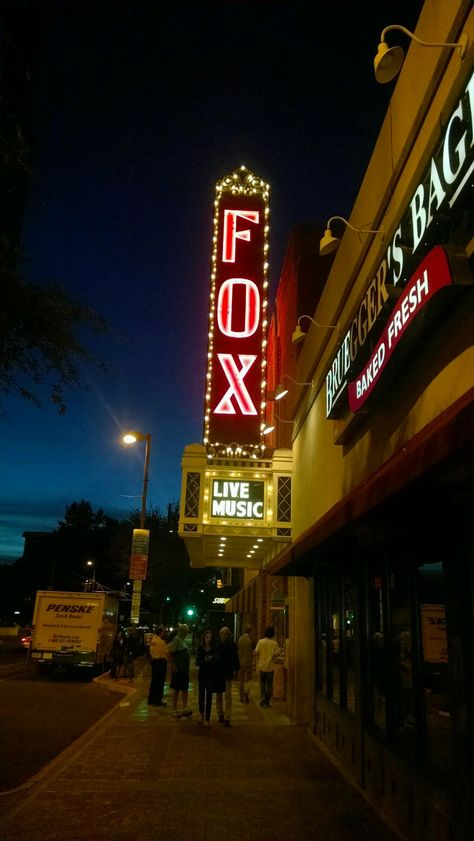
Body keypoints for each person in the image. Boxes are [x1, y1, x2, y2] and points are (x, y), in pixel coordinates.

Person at [215, 626, 240, 727]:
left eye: (225, 633)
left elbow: (235, 658)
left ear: (228, 635)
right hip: (218, 673)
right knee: (218, 695)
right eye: (222, 633)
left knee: (228, 696)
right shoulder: (217, 644)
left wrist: (235, 670)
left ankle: (227, 717)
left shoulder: (231, 645)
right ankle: (220, 713)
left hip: (227, 673)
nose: (223, 635)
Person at [167, 623, 192, 718]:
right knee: (177, 689)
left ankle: (184, 707)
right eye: (186, 632)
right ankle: (175, 708)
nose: (186, 634)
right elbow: (169, 652)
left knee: (184, 688)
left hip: (183, 669)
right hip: (179, 669)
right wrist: (173, 665)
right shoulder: (177, 639)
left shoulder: (180, 639)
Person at [195, 629, 219, 727]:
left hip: (210, 675)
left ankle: (207, 719)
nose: (208, 639)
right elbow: (197, 662)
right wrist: (204, 660)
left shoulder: (214, 649)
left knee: (209, 697)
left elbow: (216, 660)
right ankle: (201, 714)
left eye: (210, 637)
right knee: (201, 696)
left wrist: (211, 660)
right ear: (204, 638)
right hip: (202, 674)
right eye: (207, 637)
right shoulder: (200, 649)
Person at [255, 626, 280, 707]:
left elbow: (256, 652)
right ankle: (267, 701)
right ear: (273, 634)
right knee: (269, 684)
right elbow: (276, 653)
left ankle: (262, 698)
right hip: (270, 667)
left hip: (262, 666)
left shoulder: (260, 641)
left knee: (262, 684)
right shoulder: (274, 643)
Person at [147, 625, 169, 706]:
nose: (164, 633)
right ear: (160, 632)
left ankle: (151, 699)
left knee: (154, 682)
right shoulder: (161, 642)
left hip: (154, 662)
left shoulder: (153, 640)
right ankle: (157, 700)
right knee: (160, 682)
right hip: (161, 662)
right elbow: (166, 652)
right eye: (163, 632)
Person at [237, 625, 254, 703]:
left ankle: (241, 698)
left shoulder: (240, 639)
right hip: (248, 663)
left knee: (241, 682)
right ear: (250, 631)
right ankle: (246, 692)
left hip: (240, 662)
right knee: (248, 680)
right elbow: (251, 652)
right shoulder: (250, 640)